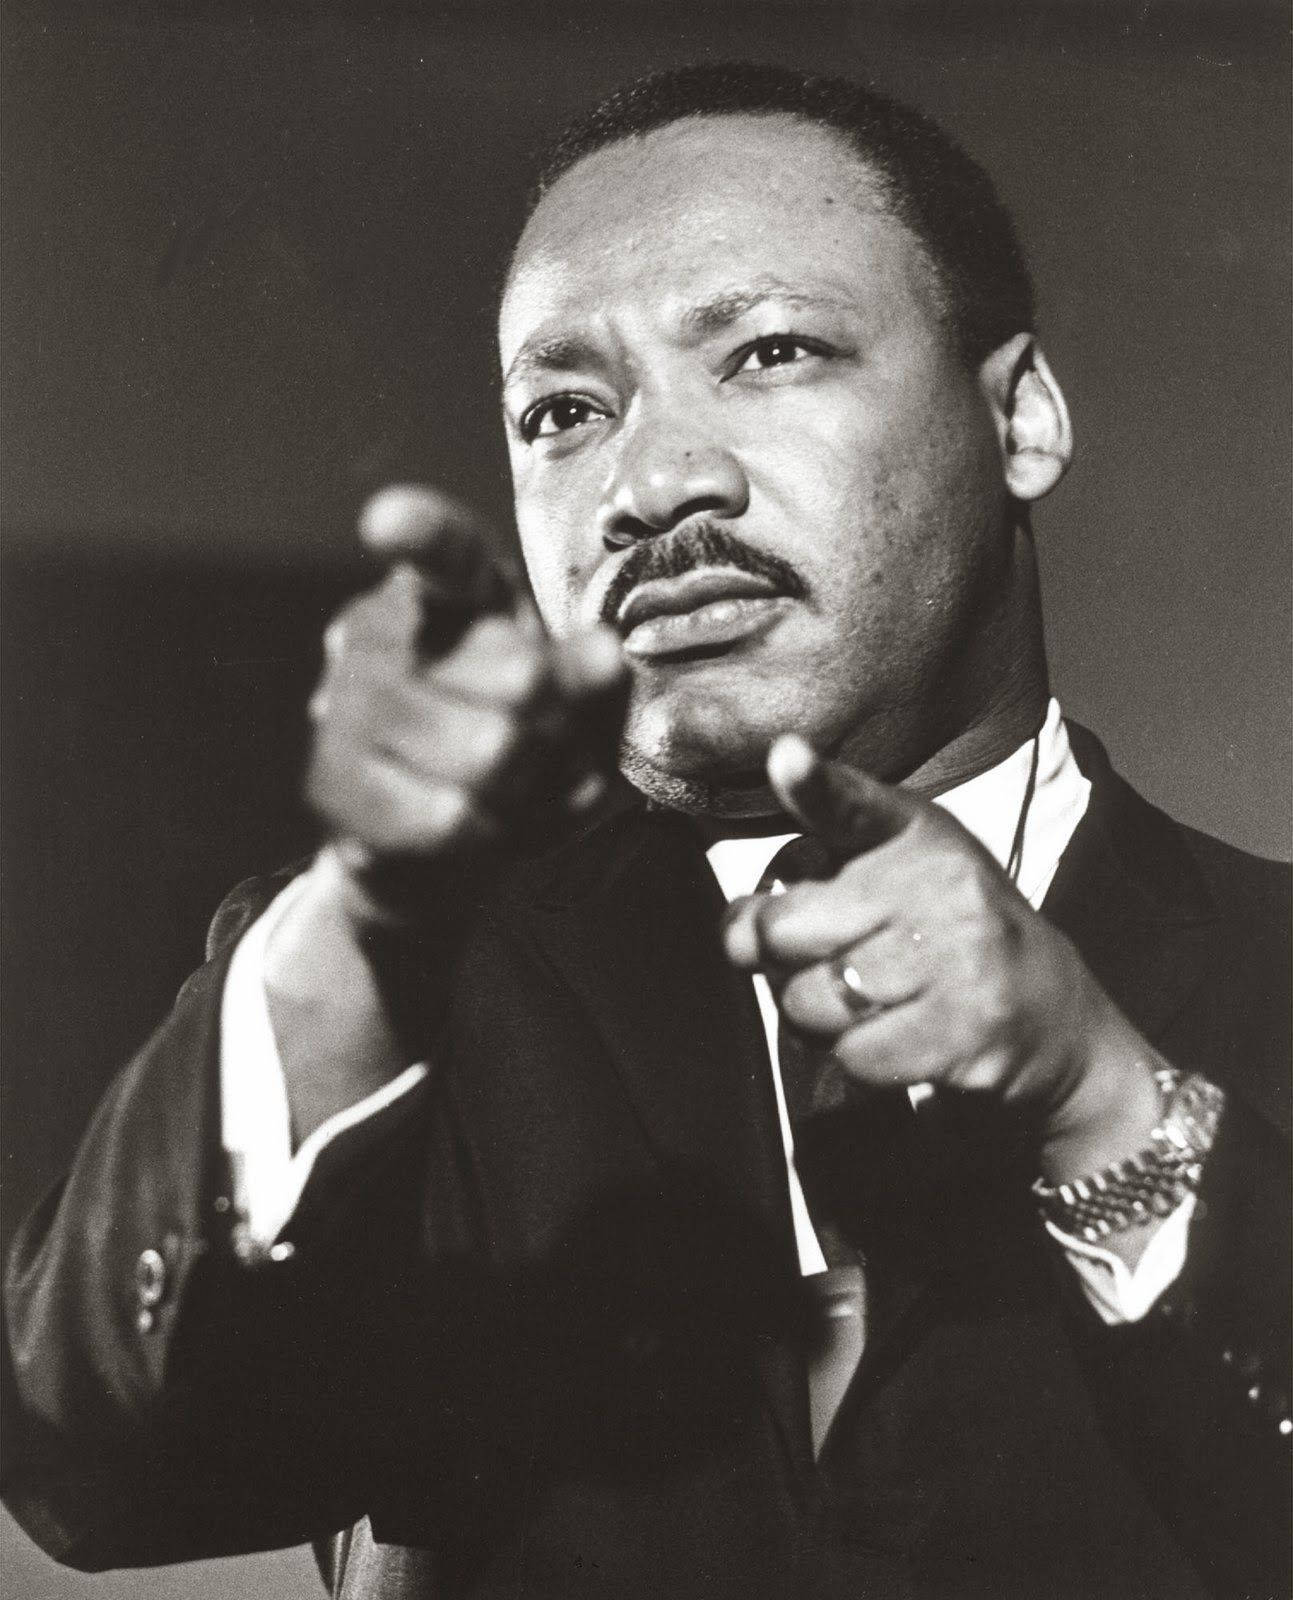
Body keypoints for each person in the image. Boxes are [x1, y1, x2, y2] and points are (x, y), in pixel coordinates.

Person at [3, 62, 1288, 1600]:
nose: (652, 483)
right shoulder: (386, 992)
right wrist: (356, 936)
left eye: (769, 351)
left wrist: (1103, 1104)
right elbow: (90, 1468)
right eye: (563, 412)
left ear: (1017, 416)